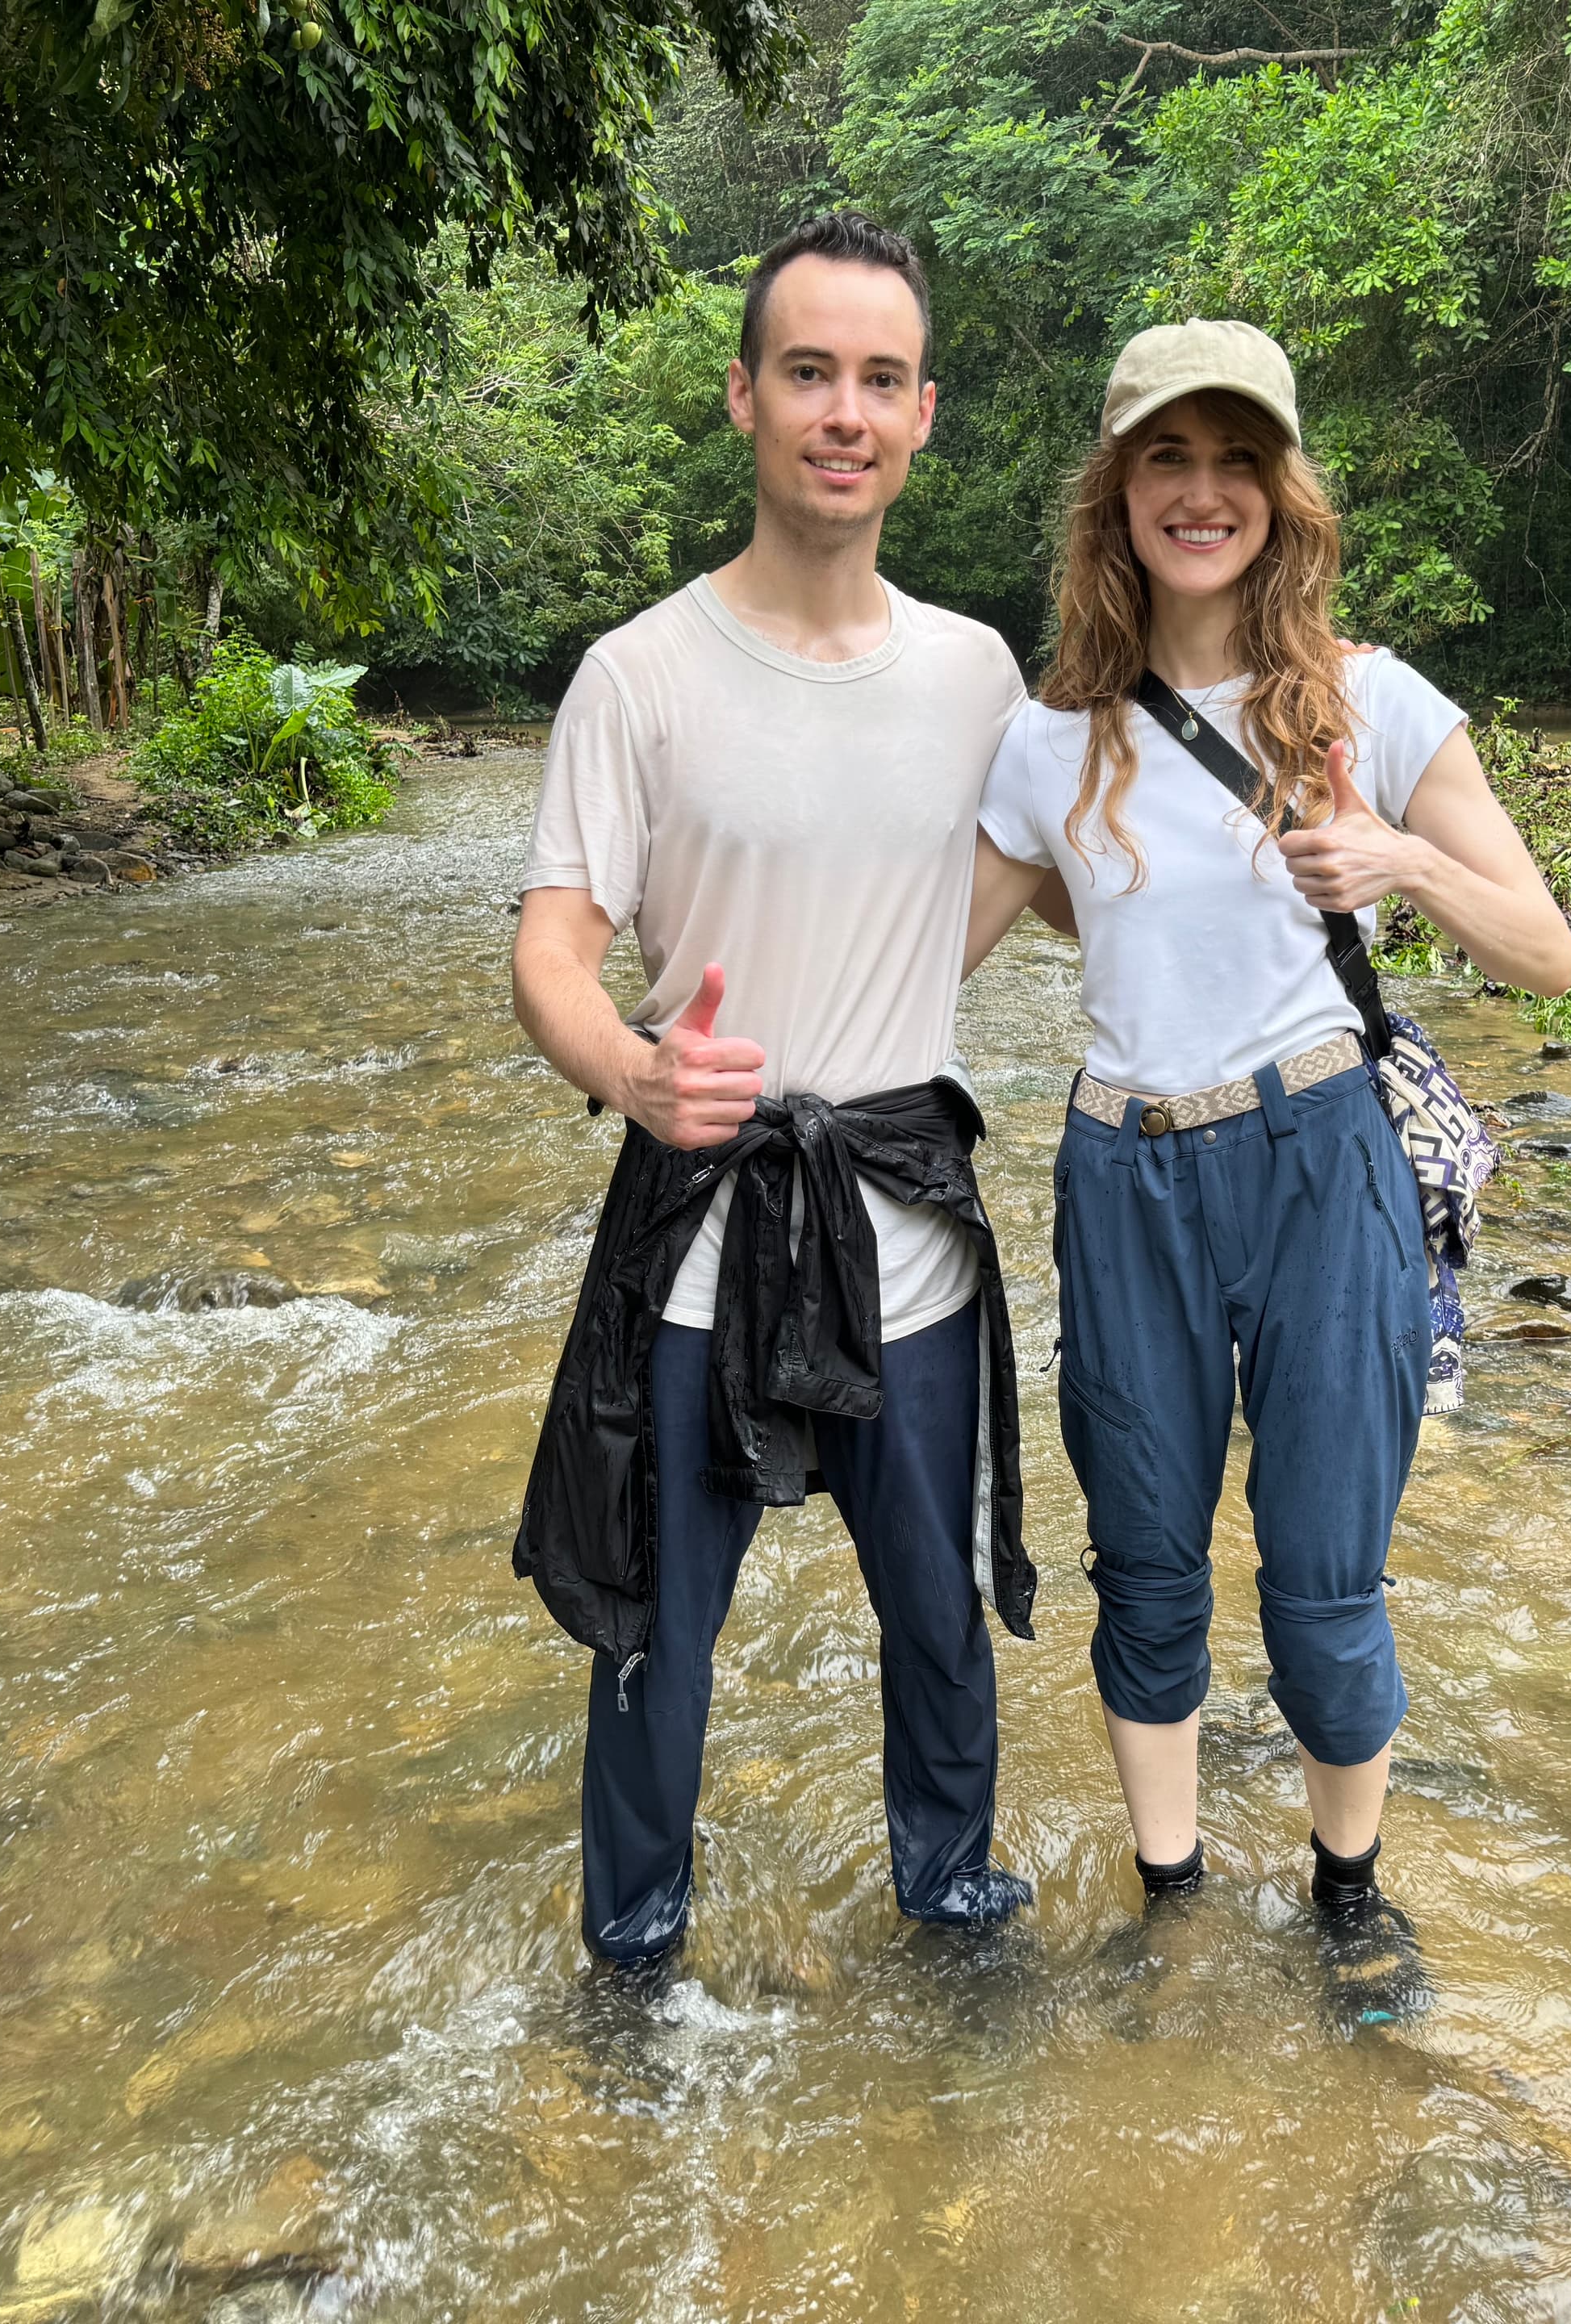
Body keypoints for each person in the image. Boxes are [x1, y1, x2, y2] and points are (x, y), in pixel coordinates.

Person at [963, 319, 1571, 2020]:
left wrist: (1396, 857)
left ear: (1283, 492)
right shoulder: (1048, 739)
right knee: (1145, 1562)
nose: (1203, 491)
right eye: (1169, 457)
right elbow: (916, 953)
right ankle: (1170, 1905)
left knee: (1321, 1571)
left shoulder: (1375, 704)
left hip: (1327, 1162)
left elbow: (1547, 951)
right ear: (1117, 492)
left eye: (1238, 458)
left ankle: (1348, 1893)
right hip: (1121, 1170)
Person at [510, 212, 1049, 1976]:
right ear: (745, 397)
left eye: (879, 380)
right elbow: (554, 950)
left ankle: (955, 1916)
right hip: (701, 1220)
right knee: (658, 1633)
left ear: (923, 415)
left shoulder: (977, 675)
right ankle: (633, 1957)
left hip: (905, 1223)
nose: (844, 410)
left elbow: (1041, 874)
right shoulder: (640, 676)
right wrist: (632, 1070)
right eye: (809, 372)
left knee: (941, 1626)